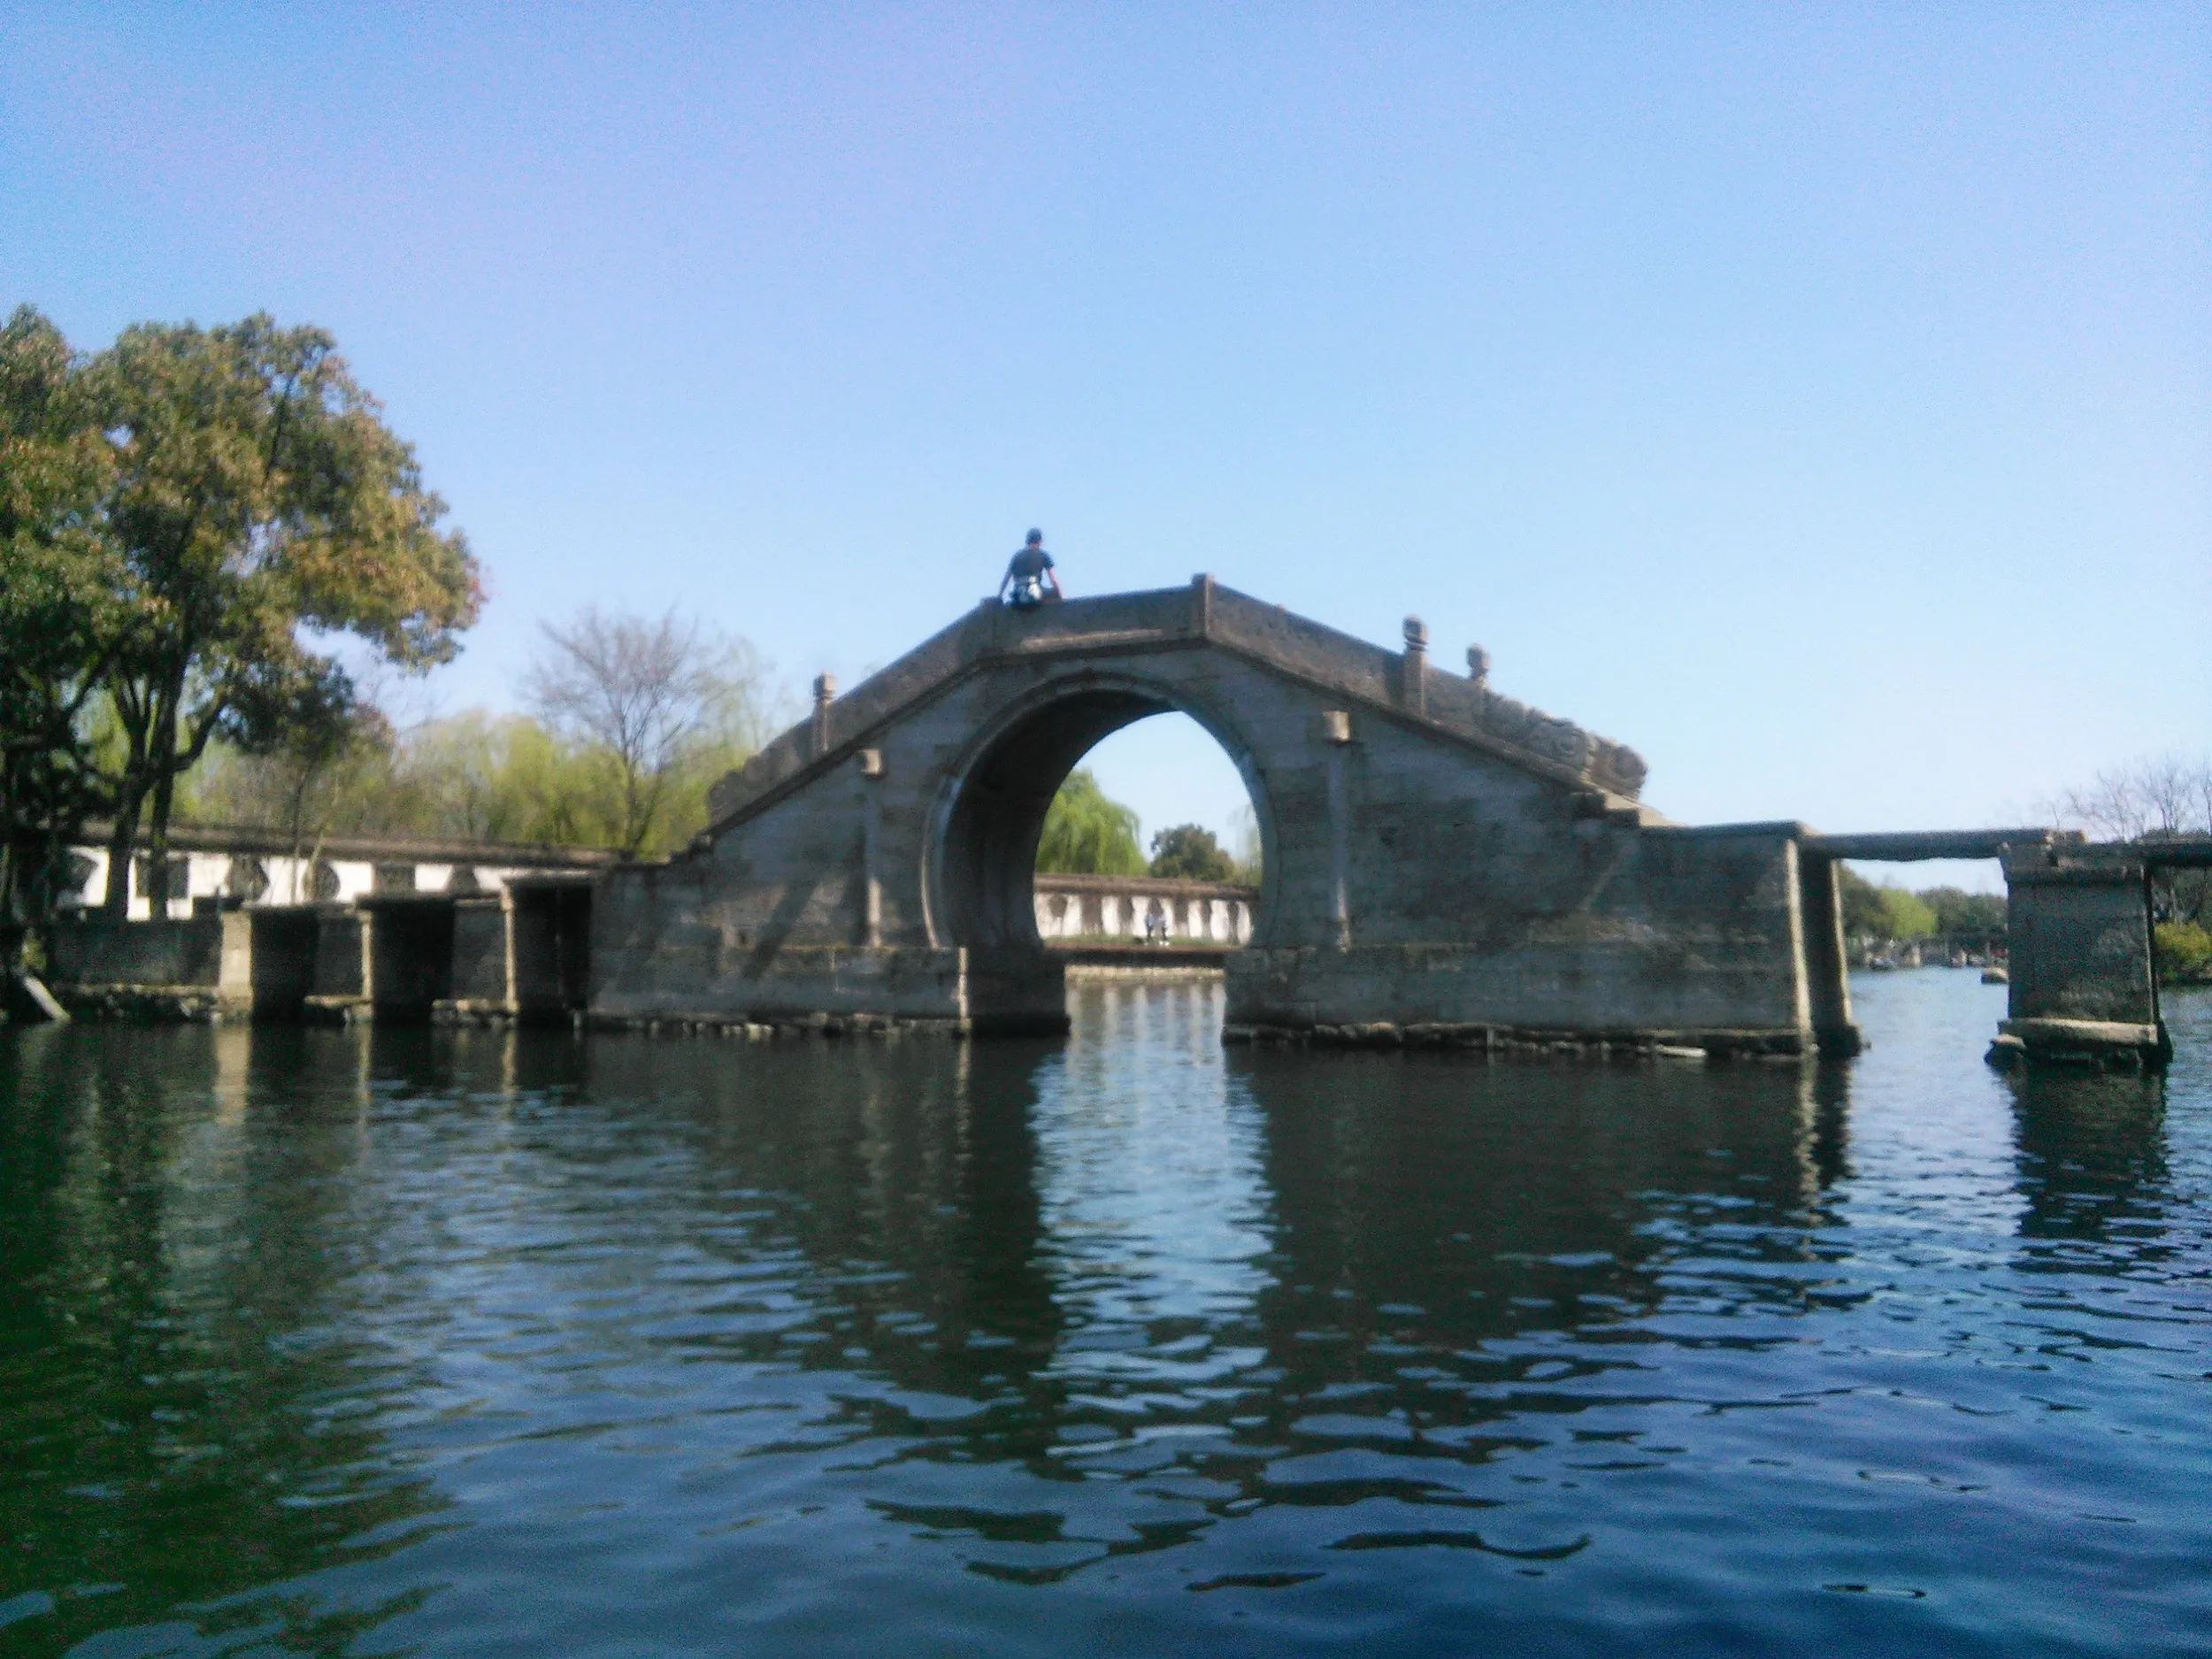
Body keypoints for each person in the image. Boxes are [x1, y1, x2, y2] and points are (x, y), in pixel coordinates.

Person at [999, 529, 1063, 608]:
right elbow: (1054, 580)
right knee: (1055, 593)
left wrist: (999, 596)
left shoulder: (1017, 556)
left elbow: (1006, 579)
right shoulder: (1043, 555)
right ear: (1040, 541)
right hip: (1034, 594)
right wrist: (1061, 596)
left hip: (1018, 596)